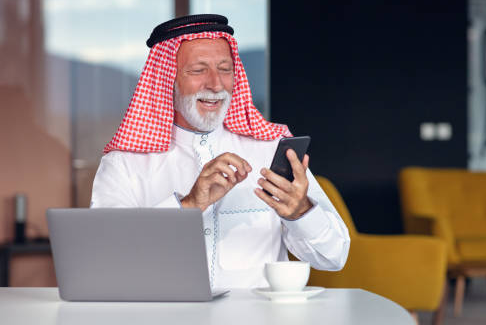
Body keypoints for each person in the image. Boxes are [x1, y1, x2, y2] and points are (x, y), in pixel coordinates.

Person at [90, 15, 350, 290]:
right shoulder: (125, 163)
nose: (215, 84)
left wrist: (301, 212)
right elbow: (104, 261)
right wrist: (189, 205)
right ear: (168, 79)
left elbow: (334, 257)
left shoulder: (271, 149)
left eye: (225, 69)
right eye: (198, 70)